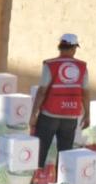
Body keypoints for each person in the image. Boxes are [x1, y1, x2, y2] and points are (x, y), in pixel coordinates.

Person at [29, 32, 89, 168]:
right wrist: (88, 114)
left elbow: (42, 91)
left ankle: (36, 181)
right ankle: (61, 183)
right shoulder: (82, 67)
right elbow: (86, 93)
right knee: (65, 155)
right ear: (74, 49)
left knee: (40, 151)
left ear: (59, 47)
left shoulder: (50, 65)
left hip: (49, 115)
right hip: (71, 116)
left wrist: (34, 114)